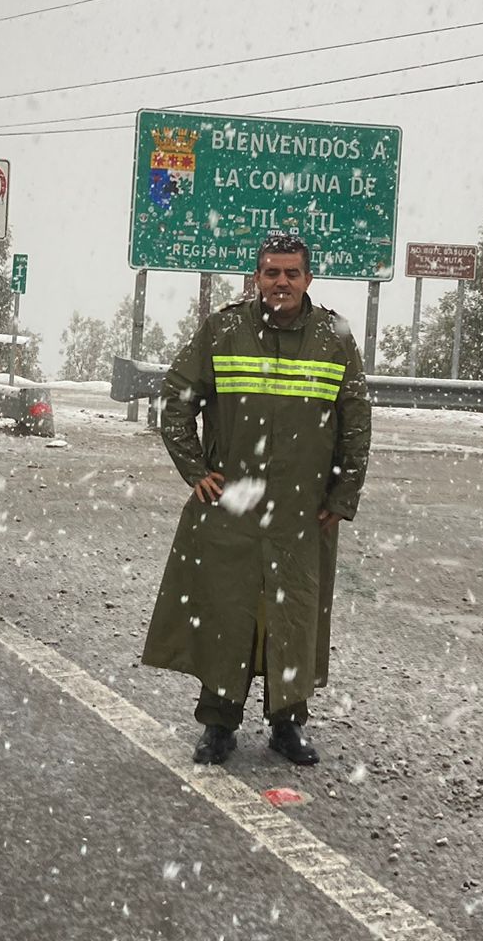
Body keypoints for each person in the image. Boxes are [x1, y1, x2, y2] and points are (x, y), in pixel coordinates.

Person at [141, 232, 371, 766]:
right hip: (232, 509)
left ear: (308, 279)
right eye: (271, 273)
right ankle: (218, 723)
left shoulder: (333, 338)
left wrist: (342, 496)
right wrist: (196, 471)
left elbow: (355, 422)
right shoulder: (223, 329)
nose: (281, 283)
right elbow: (176, 402)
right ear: (257, 278)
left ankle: (288, 726)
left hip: (302, 511)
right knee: (226, 613)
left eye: (292, 273)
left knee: (293, 617)